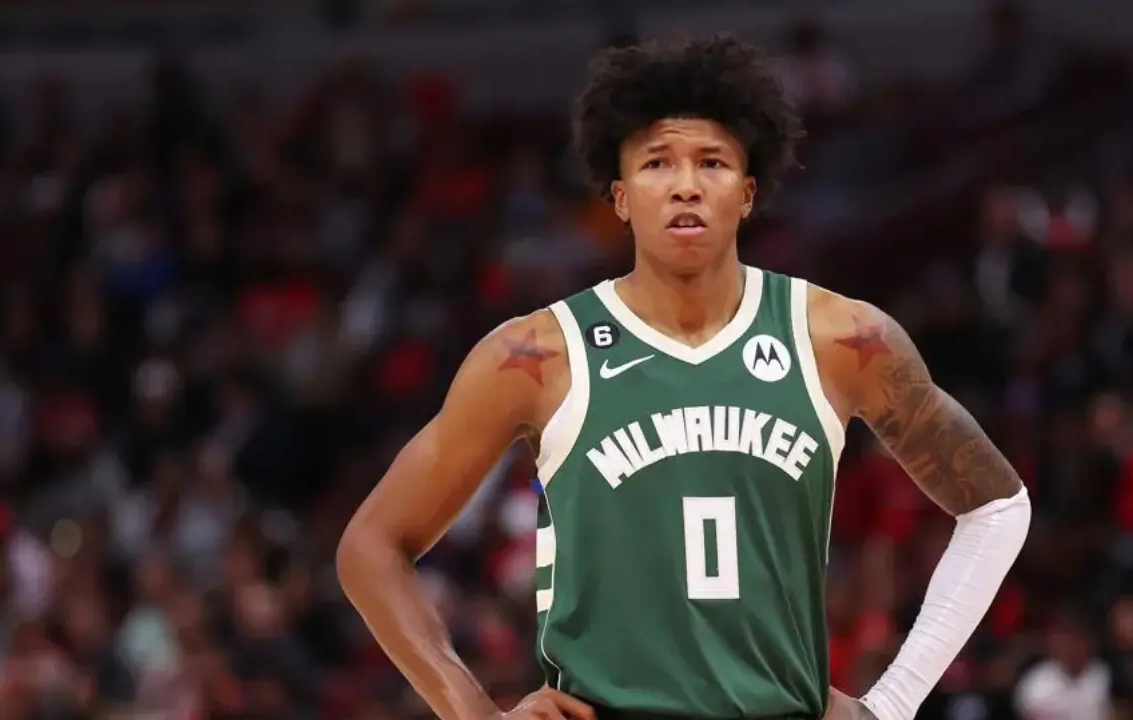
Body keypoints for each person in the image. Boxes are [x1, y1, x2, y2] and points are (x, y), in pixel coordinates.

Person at [337, 35, 1032, 720]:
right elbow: (372, 546)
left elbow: (997, 507)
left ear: (748, 193)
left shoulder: (842, 340)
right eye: (656, 163)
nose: (686, 185)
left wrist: (893, 703)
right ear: (619, 197)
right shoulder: (537, 354)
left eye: (713, 162)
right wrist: (471, 711)